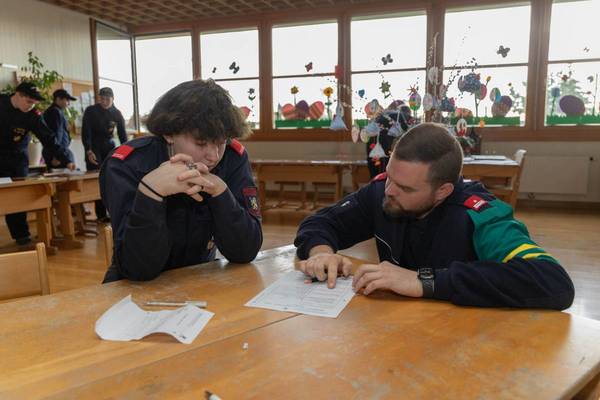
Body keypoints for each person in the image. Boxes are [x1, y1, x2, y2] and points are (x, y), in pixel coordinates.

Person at [295, 123, 574, 310]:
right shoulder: (384, 193)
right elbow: (321, 223)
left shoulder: (479, 215)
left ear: (443, 191)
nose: (389, 190)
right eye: (389, 176)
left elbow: (553, 281)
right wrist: (322, 254)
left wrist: (424, 281)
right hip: (393, 334)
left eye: (405, 188)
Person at [100, 79, 263, 282]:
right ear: (169, 134)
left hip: (200, 279)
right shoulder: (126, 165)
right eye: (201, 143)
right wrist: (150, 193)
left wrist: (221, 192)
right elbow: (138, 270)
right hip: (131, 287)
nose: (214, 156)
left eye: (221, 142)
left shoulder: (233, 158)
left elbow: (245, 251)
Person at [0, 81, 75, 245]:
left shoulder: (33, 115)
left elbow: (48, 138)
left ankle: (21, 236)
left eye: (34, 103)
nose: (30, 106)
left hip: (17, 159)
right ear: (17, 95)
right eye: (28, 102)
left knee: (17, 197)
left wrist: (66, 158)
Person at [82, 87, 128, 222]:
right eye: (102, 99)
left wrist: (126, 153)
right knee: (96, 179)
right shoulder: (91, 111)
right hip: (94, 147)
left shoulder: (117, 113)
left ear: (113, 99)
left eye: (108, 99)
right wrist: (88, 150)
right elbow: (86, 132)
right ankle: (101, 214)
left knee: (110, 178)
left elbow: (123, 136)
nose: (104, 102)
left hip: (109, 146)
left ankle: (112, 211)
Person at [42, 89, 77, 169]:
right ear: (58, 99)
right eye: (67, 100)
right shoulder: (55, 112)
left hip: (60, 152)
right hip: (58, 155)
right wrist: (56, 156)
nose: (68, 103)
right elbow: (56, 134)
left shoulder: (57, 111)